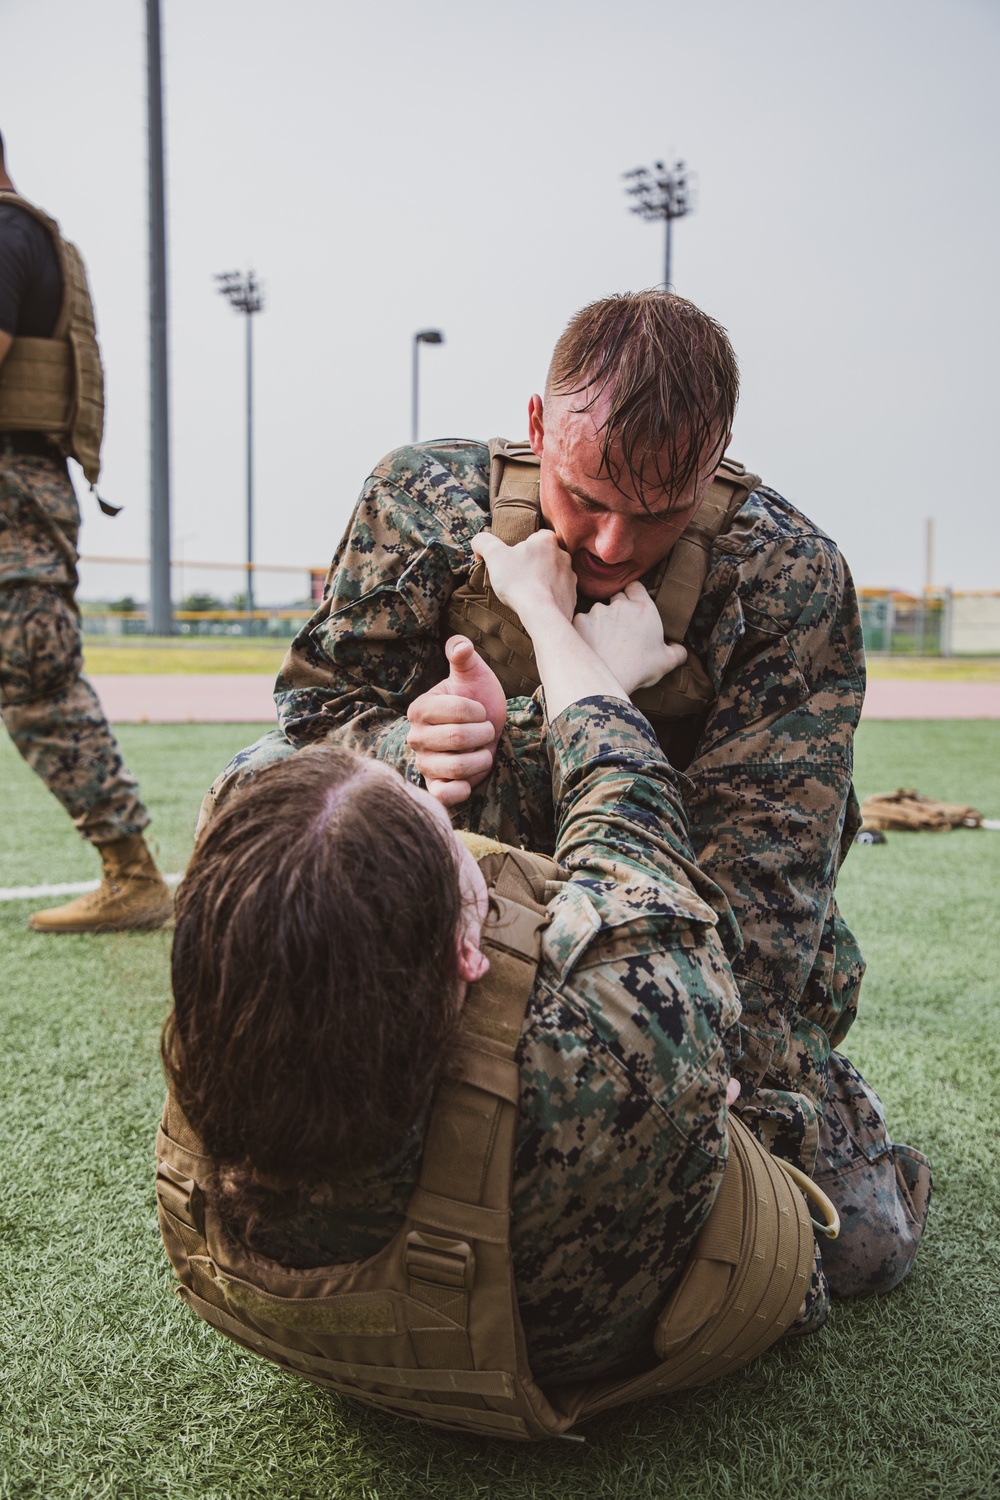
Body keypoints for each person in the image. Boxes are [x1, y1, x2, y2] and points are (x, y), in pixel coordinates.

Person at [159, 534, 830, 1439]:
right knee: (844, 1186)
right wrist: (563, 638)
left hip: (338, 1320)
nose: (461, 834)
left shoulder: (231, 952)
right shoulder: (620, 1025)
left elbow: (269, 774)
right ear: (466, 961)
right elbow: (627, 811)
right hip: (573, 1346)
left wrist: (426, 739)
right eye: (454, 851)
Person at [0, 131, 171, 933]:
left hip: (14, 493)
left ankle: (130, 871)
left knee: (37, 678)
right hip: (22, 486)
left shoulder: (7, 235)